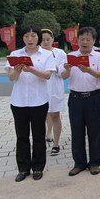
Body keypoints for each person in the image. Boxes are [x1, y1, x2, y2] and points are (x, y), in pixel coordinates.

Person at [6, 25, 54, 181]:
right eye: (26, 36)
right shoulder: (15, 54)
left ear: (38, 37)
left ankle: (38, 167)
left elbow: (47, 75)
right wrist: (18, 69)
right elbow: (11, 77)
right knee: (22, 136)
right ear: (22, 38)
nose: (30, 39)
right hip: (19, 101)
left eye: (33, 36)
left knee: (39, 136)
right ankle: (23, 168)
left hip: (39, 101)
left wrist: (31, 69)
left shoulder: (46, 55)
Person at [62, 27, 100, 176]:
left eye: (88, 39)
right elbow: (63, 76)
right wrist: (67, 69)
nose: (85, 42)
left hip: (94, 97)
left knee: (94, 130)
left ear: (94, 41)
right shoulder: (71, 56)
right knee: (77, 131)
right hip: (75, 98)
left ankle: (94, 163)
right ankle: (79, 163)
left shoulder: (99, 56)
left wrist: (89, 70)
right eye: (82, 39)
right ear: (78, 40)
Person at [40, 28, 66, 156]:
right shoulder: (36, 53)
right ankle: (43, 139)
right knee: (41, 116)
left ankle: (56, 144)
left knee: (55, 115)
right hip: (39, 88)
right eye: (43, 39)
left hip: (55, 88)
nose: (45, 42)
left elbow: (63, 71)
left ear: (53, 39)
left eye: (48, 39)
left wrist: (54, 67)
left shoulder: (59, 53)